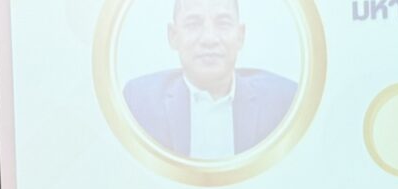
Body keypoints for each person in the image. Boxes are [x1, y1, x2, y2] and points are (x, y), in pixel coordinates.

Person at [124, 0, 298, 159]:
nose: (209, 39)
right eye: (193, 24)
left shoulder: (284, 102)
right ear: (173, 36)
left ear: (240, 36)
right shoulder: (138, 102)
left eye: (223, 23)